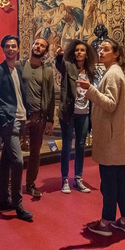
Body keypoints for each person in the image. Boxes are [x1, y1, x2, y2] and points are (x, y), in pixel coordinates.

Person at [77, 38, 125, 236]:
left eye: (106, 49)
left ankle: (105, 223)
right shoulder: (115, 72)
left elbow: (110, 104)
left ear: (116, 54)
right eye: (100, 49)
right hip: (116, 137)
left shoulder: (112, 74)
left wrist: (89, 89)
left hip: (111, 139)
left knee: (109, 182)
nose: (101, 52)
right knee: (120, 181)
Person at [0, 35, 33, 221]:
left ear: (18, 49)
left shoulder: (16, 70)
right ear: (3, 49)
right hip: (9, 122)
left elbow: (18, 97)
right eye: (7, 46)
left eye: (14, 46)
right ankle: (17, 204)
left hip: (19, 120)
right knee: (18, 161)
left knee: (6, 161)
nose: (11, 49)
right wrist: (4, 119)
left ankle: (3, 200)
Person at [55, 40, 97, 193]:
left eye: (82, 50)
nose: (79, 52)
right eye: (77, 50)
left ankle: (78, 179)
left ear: (87, 54)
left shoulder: (90, 71)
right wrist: (59, 57)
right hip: (69, 112)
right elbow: (59, 65)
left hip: (84, 113)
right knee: (66, 146)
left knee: (80, 146)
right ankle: (65, 179)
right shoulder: (68, 67)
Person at [15, 37, 55, 198]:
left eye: (42, 46)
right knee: (15, 152)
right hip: (21, 116)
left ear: (45, 51)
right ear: (32, 46)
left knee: (35, 153)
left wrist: (50, 119)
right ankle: (13, 185)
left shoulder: (48, 71)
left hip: (39, 117)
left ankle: (30, 184)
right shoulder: (19, 66)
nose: (38, 47)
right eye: (37, 44)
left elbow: (51, 96)